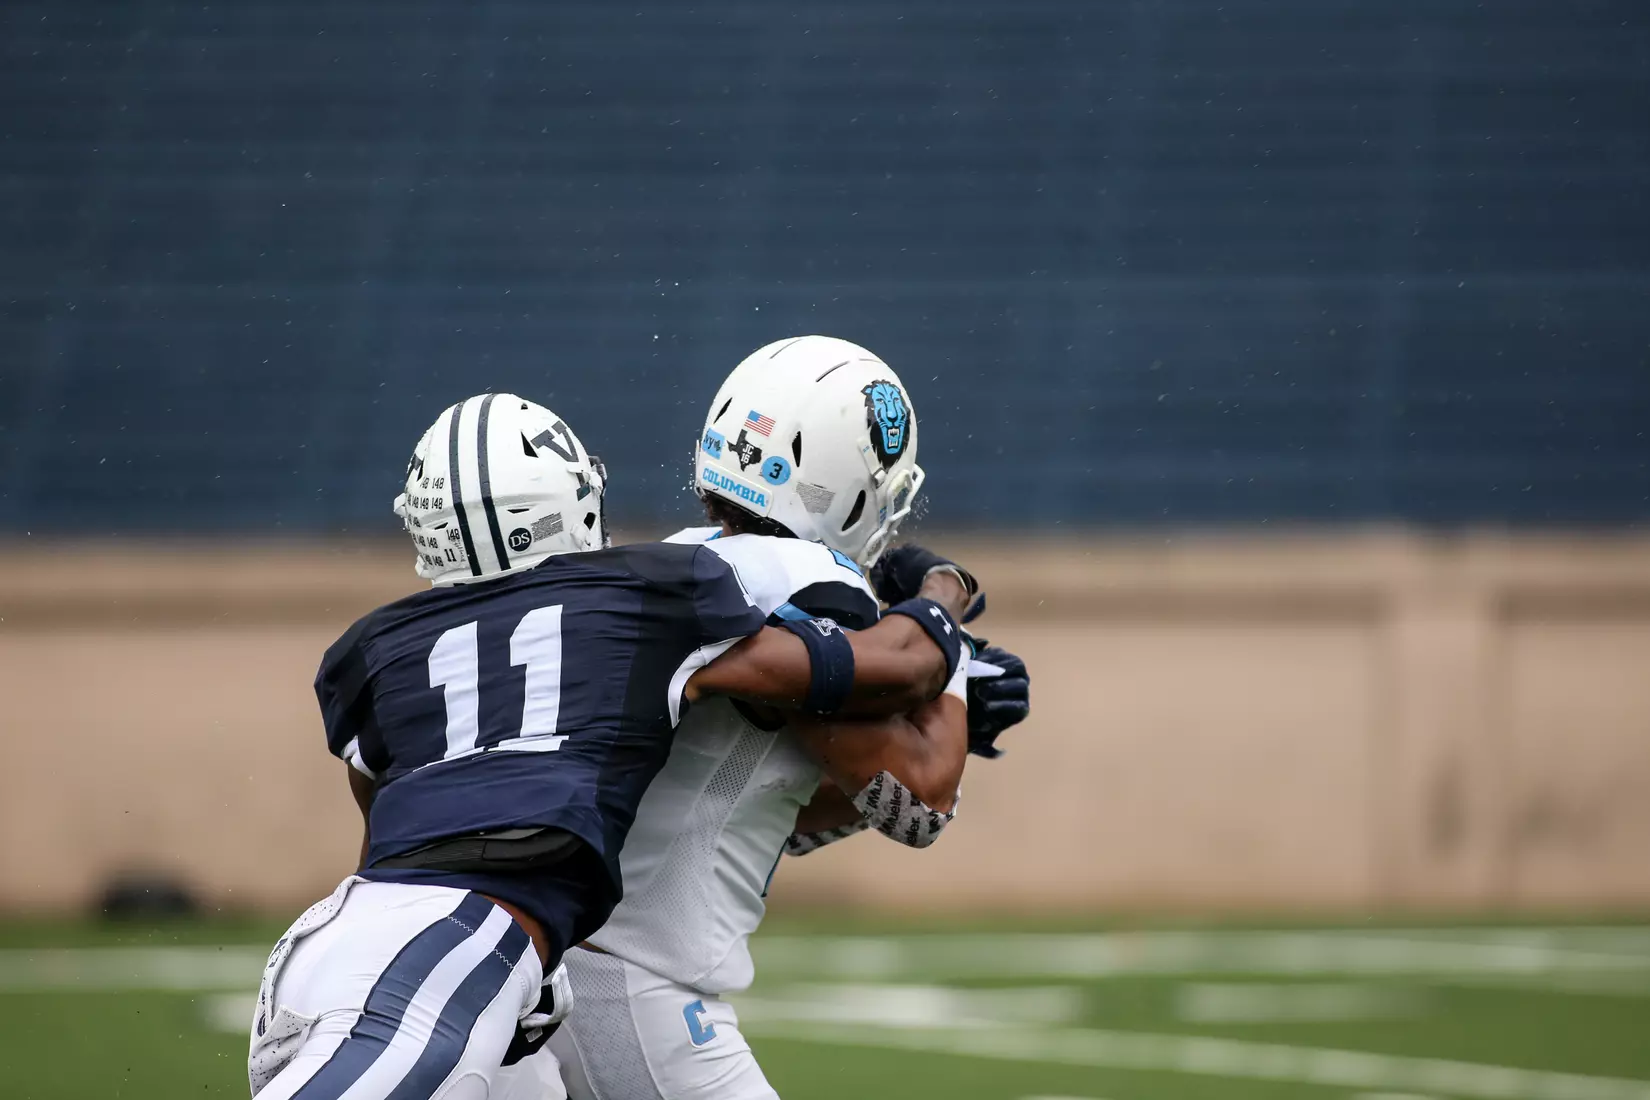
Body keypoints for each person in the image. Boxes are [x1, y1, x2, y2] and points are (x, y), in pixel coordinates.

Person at [246, 393, 973, 1100]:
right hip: (460, 946)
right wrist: (944, 609)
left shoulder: (375, 648)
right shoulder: (637, 598)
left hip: (343, 939)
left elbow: (390, 834)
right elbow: (895, 677)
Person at [526, 337, 1030, 1100]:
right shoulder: (800, 577)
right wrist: (949, 640)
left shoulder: (685, 559)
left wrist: (944, 714)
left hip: (567, 973)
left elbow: (761, 810)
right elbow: (921, 803)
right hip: (635, 988)